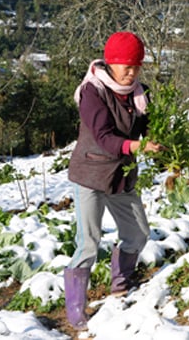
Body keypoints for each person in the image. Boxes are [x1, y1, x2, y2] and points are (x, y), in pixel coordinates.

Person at [65, 31, 162, 331]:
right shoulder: (93, 92)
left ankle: (120, 283)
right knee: (88, 243)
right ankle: (75, 311)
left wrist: (164, 148)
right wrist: (136, 147)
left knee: (138, 233)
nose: (131, 72)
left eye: (136, 66)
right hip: (91, 175)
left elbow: (150, 128)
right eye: (125, 66)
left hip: (121, 176)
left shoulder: (140, 93)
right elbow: (105, 137)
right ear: (110, 64)